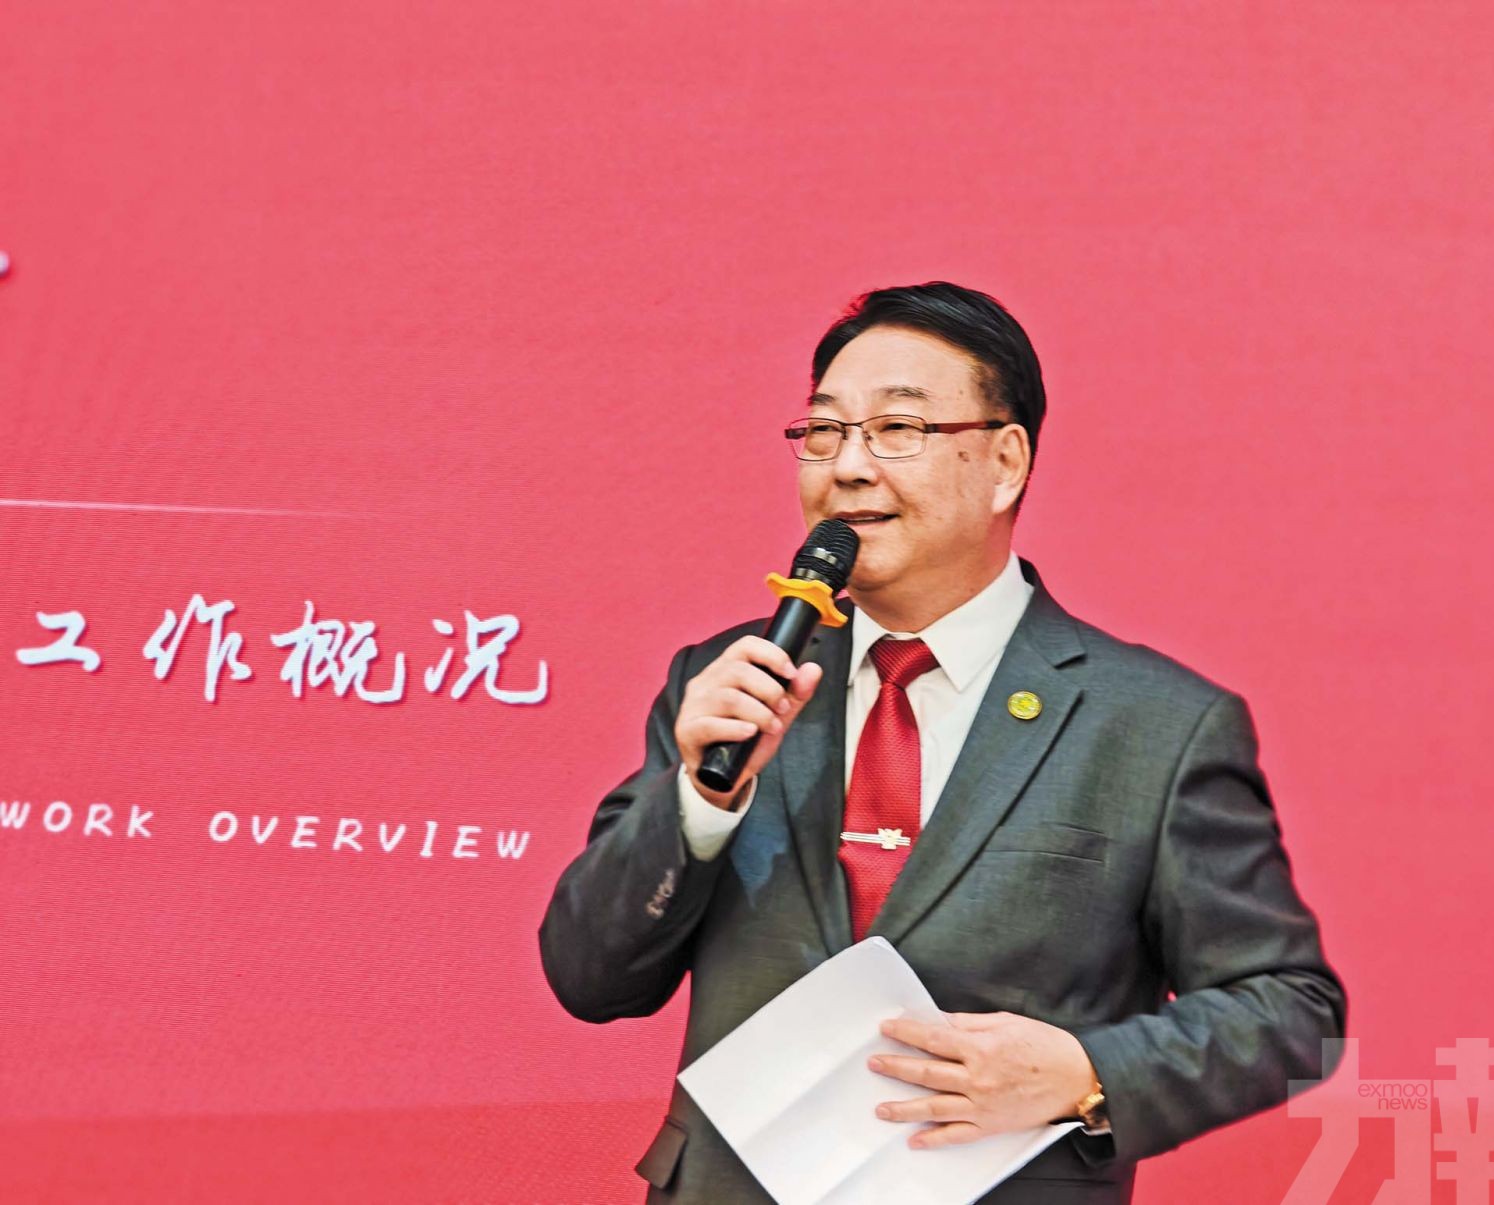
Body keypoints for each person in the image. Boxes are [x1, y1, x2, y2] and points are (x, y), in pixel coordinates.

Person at [539, 282, 1346, 1204]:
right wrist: (699, 800)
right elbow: (589, 974)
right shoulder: (730, 684)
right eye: (824, 431)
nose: (848, 467)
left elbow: (1292, 1013)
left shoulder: (1154, 724)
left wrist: (1086, 1074)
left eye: (898, 429)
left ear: (1005, 462)